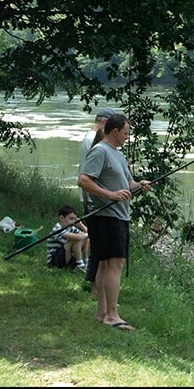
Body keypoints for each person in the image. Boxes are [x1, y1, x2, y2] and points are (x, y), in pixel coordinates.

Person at [78, 113, 152, 331]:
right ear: (114, 131)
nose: (127, 137)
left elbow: (127, 184)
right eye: (126, 133)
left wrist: (139, 185)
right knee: (115, 263)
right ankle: (112, 314)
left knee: (104, 263)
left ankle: (102, 313)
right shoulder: (100, 151)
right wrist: (110, 195)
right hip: (106, 216)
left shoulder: (117, 155)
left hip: (119, 215)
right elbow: (83, 180)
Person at [79, 108, 114, 292]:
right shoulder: (94, 144)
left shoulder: (91, 139)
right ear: (105, 123)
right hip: (94, 200)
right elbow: (89, 177)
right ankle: (94, 286)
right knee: (98, 247)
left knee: (96, 245)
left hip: (94, 199)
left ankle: (95, 286)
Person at [46, 205, 90, 271]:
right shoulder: (57, 229)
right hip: (55, 260)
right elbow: (78, 237)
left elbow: (89, 234)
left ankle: (87, 263)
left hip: (66, 256)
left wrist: (81, 225)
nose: (73, 222)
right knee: (76, 239)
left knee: (87, 239)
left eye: (75, 219)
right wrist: (86, 234)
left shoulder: (71, 228)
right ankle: (80, 264)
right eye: (71, 219)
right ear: (61, 218)